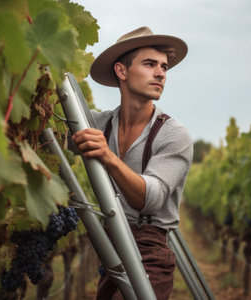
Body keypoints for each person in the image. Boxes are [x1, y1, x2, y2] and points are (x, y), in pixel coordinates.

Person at [72, 26, 193, 300]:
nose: (161, 73)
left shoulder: (174, 134)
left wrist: (108, 156)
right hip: (110, 249)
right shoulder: (101, 125)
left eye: (164, 66)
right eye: (150, 64)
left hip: (150, 252)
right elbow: (56, 129)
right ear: (122, 71)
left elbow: (150, 199)